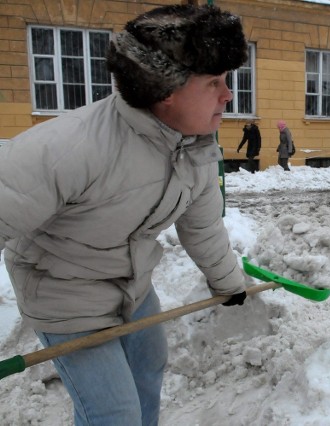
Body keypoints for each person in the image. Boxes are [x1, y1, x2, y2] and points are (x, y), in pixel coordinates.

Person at [0, 5, 249, 425]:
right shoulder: (71, 147)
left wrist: (230, 284)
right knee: (113, 414)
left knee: (147, 373)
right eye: (214, 83)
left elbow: (203, 225)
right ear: (164, 90)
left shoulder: (196, 148)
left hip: (132, 287)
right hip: (65, 294)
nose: (228, 96)